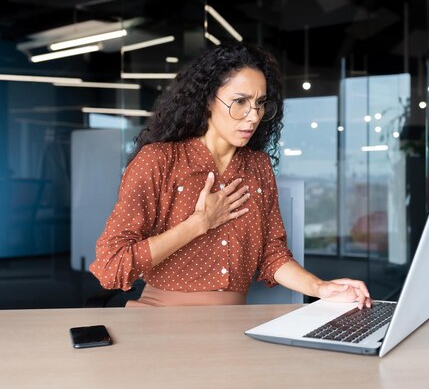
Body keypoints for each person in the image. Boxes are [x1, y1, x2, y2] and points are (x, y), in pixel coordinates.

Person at [89, 42, 372, 308]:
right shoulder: (159, 160)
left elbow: (272, 255)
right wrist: (199, 223)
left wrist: (321, 288)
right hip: (161, 319)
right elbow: (111, 266)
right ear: (208, 99)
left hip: (235, 322)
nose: (253, 116)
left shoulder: (258, 166)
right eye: (240, 102)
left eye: (260, 103)